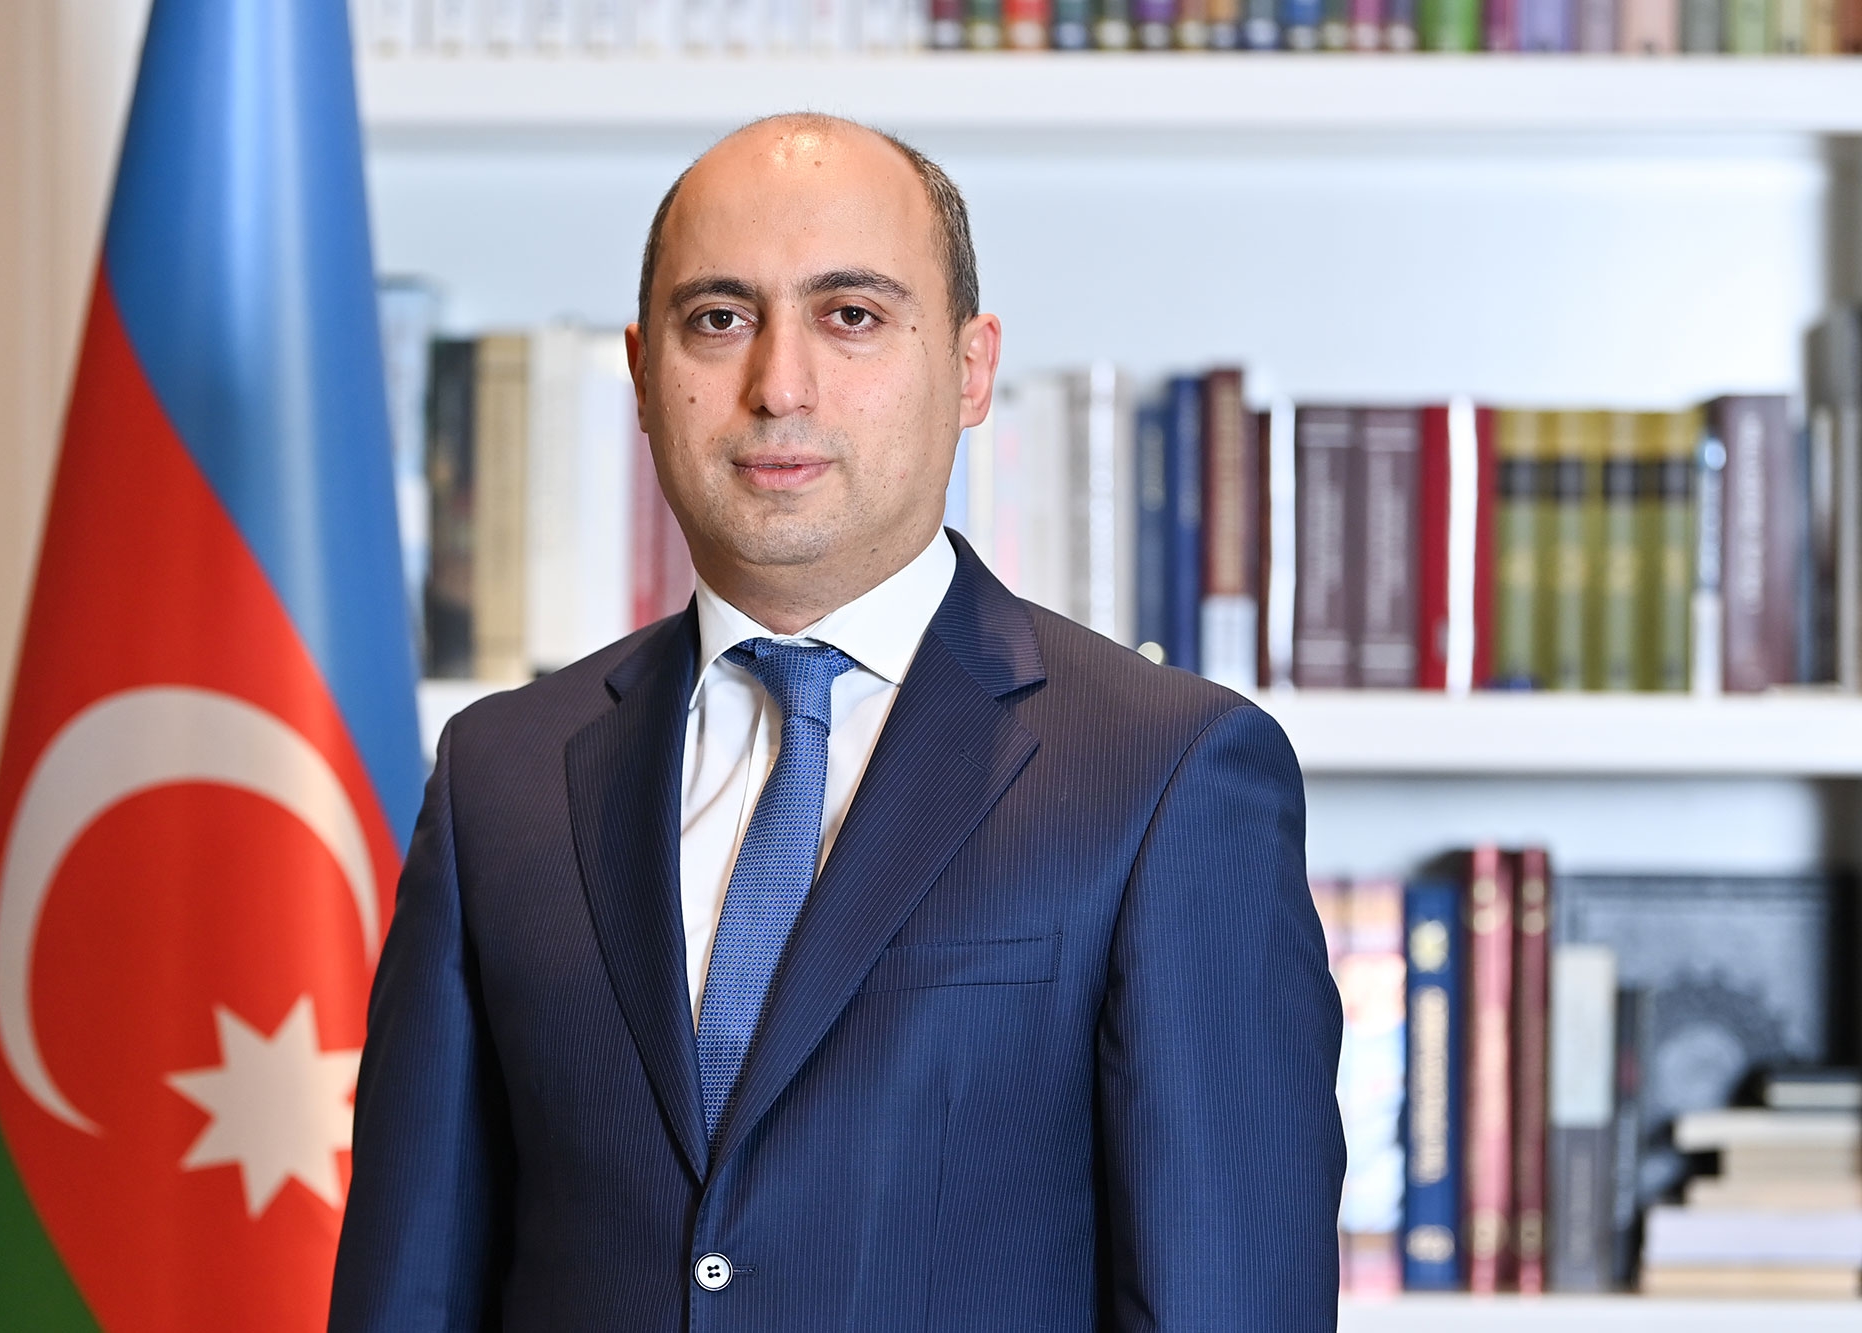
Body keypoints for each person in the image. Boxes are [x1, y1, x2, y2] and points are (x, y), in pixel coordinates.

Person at [330, 112, 1343, 1332]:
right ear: (642, 374)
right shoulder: (501, 775)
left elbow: (1222, 1299)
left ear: (969, 368)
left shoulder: (1165, 774)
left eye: (850, 314)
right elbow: (409, 1292)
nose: (779, 385)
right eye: (719, 318)